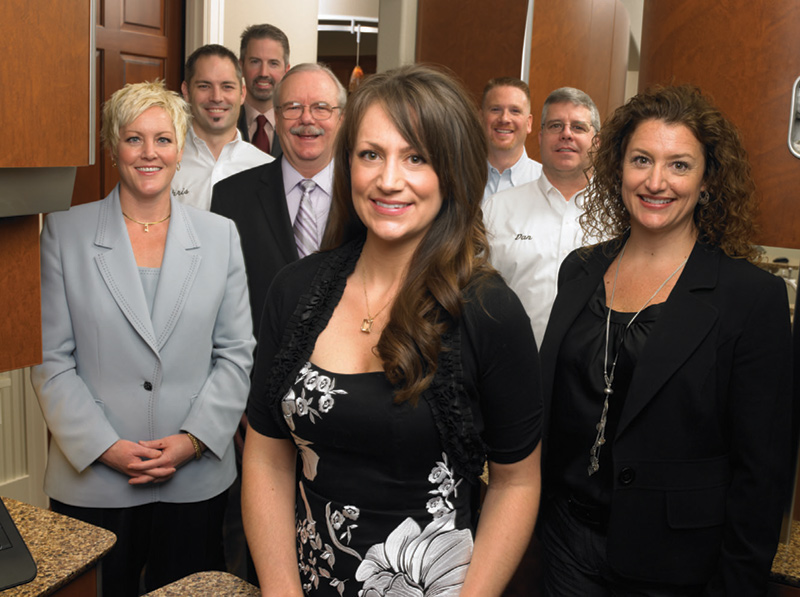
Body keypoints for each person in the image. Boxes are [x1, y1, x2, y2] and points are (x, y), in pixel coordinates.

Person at [241, 64, 542, 596]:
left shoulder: (490, 312)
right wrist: (280, 590)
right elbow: (266, 453)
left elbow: (516, 481)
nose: (388, 180)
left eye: (416, 158)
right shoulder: (293, 291)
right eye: (371, 154)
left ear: (452, 172)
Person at [538, 85, 793, 595]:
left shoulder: (749, 297)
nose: (656, 182)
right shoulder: (582, 270)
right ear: (617, 169)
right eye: (641, 160)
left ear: (707, 181)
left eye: (679, 165)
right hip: (564, 542)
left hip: (676, 565)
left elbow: (762, 473)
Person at [31, 81, 255, 597]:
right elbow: (50, 359)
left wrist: (192, 440)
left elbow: (236, 353)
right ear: (114, 148)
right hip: (93, 480)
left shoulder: (221, 235)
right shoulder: (64, 233)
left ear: (181, 148)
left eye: (163, 139)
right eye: (134, 139)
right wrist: (105, 447)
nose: (149, 153)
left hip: (195, 479)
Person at [211, 63, 346, 340]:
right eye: (293, 107)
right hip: (258, 372)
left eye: (321, 108)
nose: (306, 119)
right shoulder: (230, 197)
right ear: (277, 115)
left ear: (342, 119)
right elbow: (217, 304)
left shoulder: (368, 197)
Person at [484, 86, 600, 345]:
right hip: (512, 365)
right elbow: (474, 295)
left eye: (579, 128)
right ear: (539, 136)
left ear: (597, 141)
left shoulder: (619, 214)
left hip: (591, 375)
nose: (566, 135)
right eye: (556, 126)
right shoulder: (497, 209)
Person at [172, 44, 272, 210]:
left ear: (242, 94)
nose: (216, 97)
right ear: (186, 91)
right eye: (204, 86)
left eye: (227, 86)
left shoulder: (267, 170)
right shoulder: (164, 164)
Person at [480, 77, 542, 202]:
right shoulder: (458, 179)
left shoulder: (546, 183)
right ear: (481, 118)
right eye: (496, 109)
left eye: (515, 111)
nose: (504, 119)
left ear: (528, 123)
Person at [237, 23, 291, 156]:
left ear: (286, 71)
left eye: (273, 63)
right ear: (241, 67)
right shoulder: (224, 119)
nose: (264, 73)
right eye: (255, 62)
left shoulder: (296, 123)